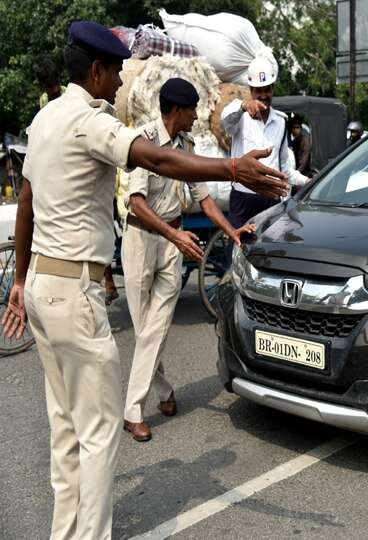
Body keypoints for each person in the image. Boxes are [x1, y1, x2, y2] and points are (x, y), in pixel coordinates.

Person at [1, 21, 287, 540]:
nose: (119, 85)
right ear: (96, 71)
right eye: (114, 74)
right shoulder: (91, 121)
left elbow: (26, 202)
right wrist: (232, 169)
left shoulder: (44, 119)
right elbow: (152, 159)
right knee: (99, 432)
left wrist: (19, 280)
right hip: (74, 293)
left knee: (66, 430)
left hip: (43, 286)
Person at [122, 78, 255, 442]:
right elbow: (136, 203)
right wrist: (174, 236)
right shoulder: (143, 143)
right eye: (193, 109)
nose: (197, 116)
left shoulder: (188, 145)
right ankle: (163, 390)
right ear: (177, 111)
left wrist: (231, 232)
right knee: (145, 328)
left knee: (157, 324)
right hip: (140, 241)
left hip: (171, 244)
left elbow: (206, 200)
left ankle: (132, 410)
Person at [221, 55, 309, 229]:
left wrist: (306, 181)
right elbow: (225, 120)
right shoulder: (240, 118)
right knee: (238, 249)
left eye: (267, 90)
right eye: (258, 91)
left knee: (269, 252)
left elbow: (283, 167)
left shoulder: (282, 122)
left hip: (271, 199)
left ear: (273, 89)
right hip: (243, 199)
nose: (263, 96)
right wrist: (243, 106)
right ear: (251, 90)